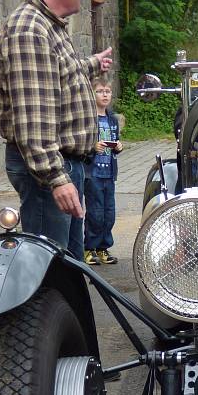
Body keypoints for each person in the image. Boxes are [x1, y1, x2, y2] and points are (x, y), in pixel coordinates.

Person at [0, 0, 112, 260]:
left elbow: (61, 74)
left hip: (62, 166)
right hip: (47, 171)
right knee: (47, 273)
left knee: (66, 270)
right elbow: (34, 120)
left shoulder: (47, 25)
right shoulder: (30, 30)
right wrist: (56, 179)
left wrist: (93, 64)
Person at [84, 78, 122, 265]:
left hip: (109, 174)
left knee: (109, 213)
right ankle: (89, 248)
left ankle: (103, 248)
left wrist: (118, 146)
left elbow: (116, 141)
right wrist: (92, 147)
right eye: (100, 91)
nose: (105, 94)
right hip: (94, 174)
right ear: (92, 94)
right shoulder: (89, 119)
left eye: (108, 91)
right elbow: (81, 144)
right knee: (95, 213)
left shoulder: (112, 119)